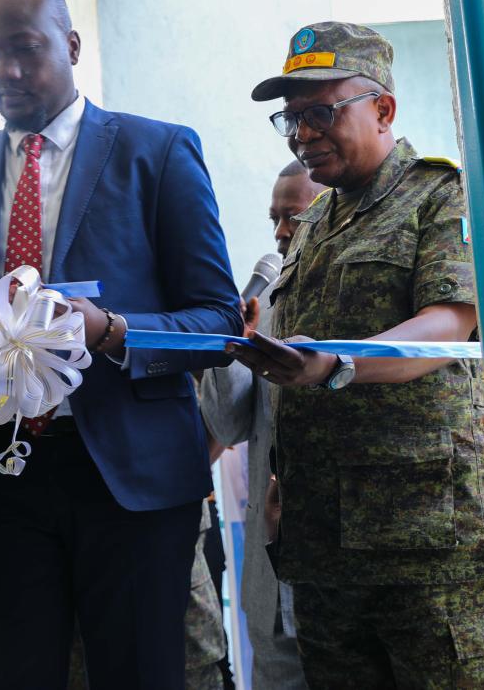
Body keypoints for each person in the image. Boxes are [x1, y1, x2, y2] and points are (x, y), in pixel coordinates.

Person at [0, 0, 243, 689]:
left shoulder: (159, 153)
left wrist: (112, 330)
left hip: (130, 483)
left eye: (24, 49)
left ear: (73, 45)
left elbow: (218, 321)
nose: (4, 72)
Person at [232, 22, 484, 688]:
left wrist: (335, 363)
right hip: (325, 553)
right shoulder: (310, 226)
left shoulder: (441, 195)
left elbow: (450, 325)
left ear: (383, 108)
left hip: (429, 551)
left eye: (320, 113)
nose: (303, 134)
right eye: (291, 119)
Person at [199, 160, 322, 690]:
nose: (278, 232)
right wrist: (230, 346)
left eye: (292, 217)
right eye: (274, 218)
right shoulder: (264, 304)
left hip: (341, 569)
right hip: (272, 580)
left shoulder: (364, 297)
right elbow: (228, 423)